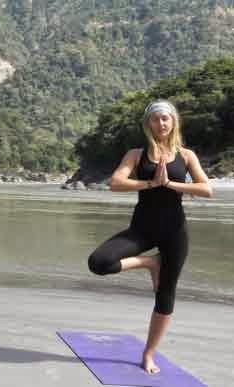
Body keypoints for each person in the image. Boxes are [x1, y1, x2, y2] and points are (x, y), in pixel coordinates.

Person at [87, 100, 213, 374]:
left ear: (174, 122)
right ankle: (149, 263)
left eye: (166, 119)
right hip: (142, 229)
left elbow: (206, 189)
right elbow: (115, 183)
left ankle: (149, 353)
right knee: (99, 262)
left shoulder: (187, 155)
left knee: (165, 297)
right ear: (148, 124)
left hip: (174, 232)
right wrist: (150, 183)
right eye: (156, 119)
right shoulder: (136, 154)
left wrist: (169, 184)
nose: (161, 124)